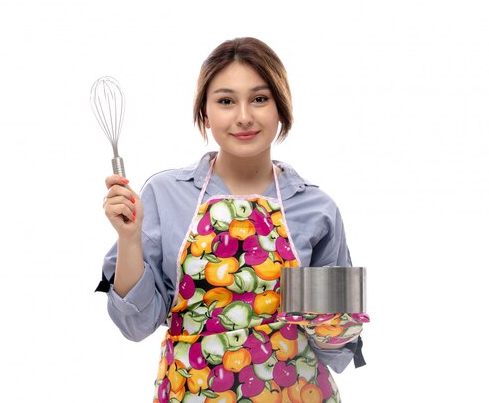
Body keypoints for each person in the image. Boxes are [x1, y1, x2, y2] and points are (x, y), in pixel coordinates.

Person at [97, 37, 367, 403]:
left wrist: (330, 309)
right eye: (226, 101)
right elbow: (136, 324)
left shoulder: (316, 208)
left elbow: (337, 347)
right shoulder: (165, 195)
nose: (243, 116)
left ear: (281, 110)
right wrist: (129, 239)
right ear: (205, 114)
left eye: (259, 99)